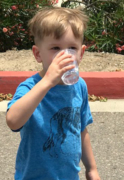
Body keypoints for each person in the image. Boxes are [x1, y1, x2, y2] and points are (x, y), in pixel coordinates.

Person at [6, 6, 101, 180]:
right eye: (55, 48)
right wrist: (47, 82)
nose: (64, 55)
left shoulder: (79, 86)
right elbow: (13, 121)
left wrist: (91, 169)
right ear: (38, 54)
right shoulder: (30, 87)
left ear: (81, 53)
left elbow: (81, 129)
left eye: (72, 48)